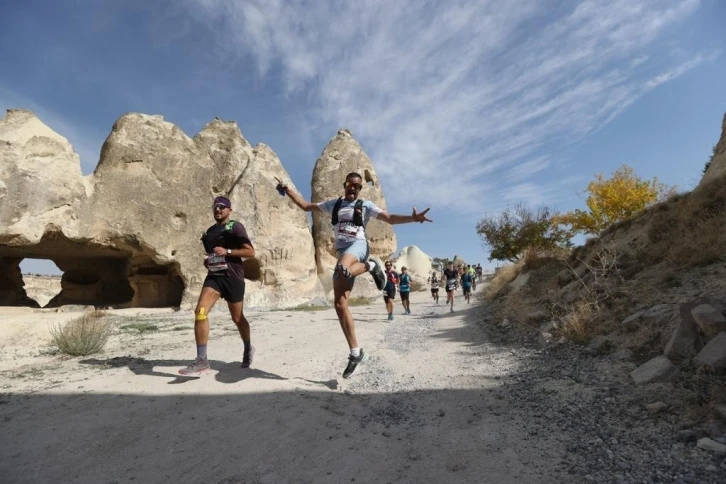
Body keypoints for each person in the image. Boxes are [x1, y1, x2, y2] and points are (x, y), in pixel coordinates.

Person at [276, 172, 432, 378]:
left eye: (357, 186)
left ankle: (370, 265)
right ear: (345, 185)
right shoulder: (335, 204)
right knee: (340, 305)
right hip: (343, 251)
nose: (353, 188)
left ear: (360, 189)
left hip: (358, 246)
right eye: (350, 184)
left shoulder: (365, 205)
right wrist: (287, 190)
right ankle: (356, 352)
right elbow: (306, 206)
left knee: (343, 266)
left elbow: (390, 219)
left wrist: (412, 218)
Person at [179, 196, 256, 376]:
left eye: (222, 207)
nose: (218, 209)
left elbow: (250, 252)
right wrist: (209, 262)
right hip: (214, 276)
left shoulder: (235, 227)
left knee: (237, 318)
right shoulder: (210, 232)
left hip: (233, 277)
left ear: (229, 210)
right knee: (200, 312)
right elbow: (211, 254)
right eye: (215, 207)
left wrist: (227, 251)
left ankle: (247, 347)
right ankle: (202, 360)